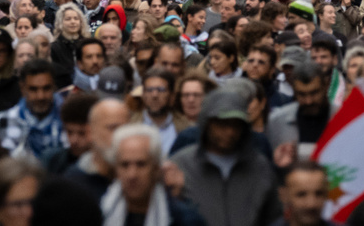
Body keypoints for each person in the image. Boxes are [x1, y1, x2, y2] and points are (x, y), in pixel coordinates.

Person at [171, 89, 281, 226]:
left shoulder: (260, 167)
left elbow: (274, 217)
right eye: (222, 124)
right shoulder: (181, 165)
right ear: (207, 124)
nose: (230, 132)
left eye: (236, 124)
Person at [101, 124, 207, 226]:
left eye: (141, 164)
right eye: (124, 165)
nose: (132, 174)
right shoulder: (99, 213)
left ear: (156, 168)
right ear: (115, 169)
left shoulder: (184, 219)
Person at [0, 59, 65, 160]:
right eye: (33, 89)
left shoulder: (68, 120)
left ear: (54, 87)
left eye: (46, 88)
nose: (41, 96)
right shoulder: (3, 121)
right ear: (22, 88)